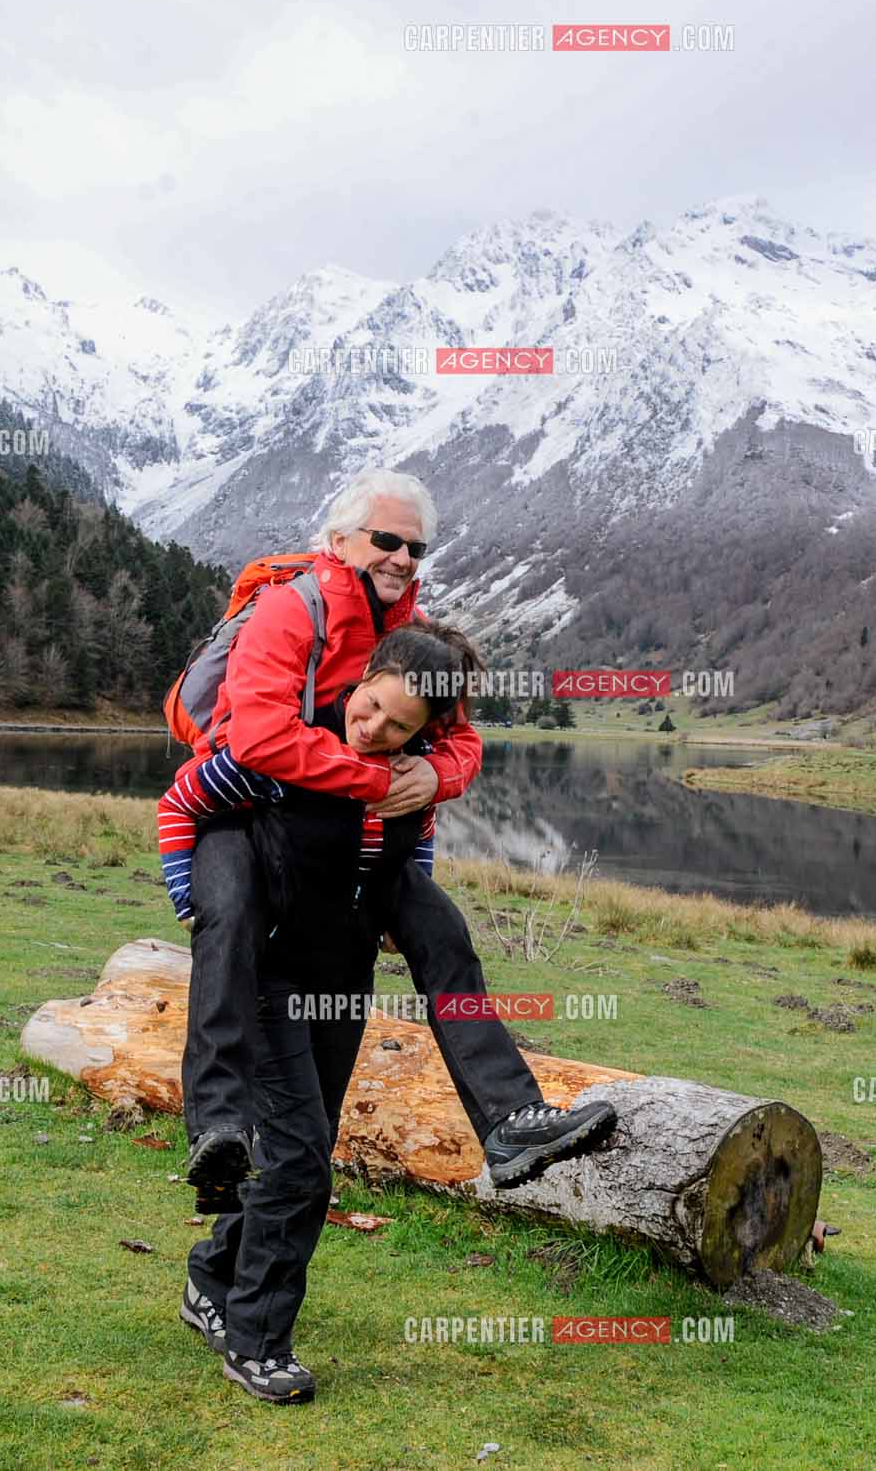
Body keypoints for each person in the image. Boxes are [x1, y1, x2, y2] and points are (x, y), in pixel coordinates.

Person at [167, 470, 615, 1222]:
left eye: (416, 546)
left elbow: (464, 742)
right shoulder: (290, 612)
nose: (403, 557)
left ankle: (508, 1122)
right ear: (339, 539)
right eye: (387, 539)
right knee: (230, 924)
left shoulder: (415, 637)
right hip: (248, 817)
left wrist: (435, 775)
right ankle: (215, 1123)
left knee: (443, 934)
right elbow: (259, 738)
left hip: (346, 846)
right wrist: (375, 780)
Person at [178, 624, 480, 1401]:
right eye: (373, 706)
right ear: (366, 675)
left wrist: (391, 905)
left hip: (343, 983)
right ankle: (256, 1340)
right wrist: (199, 906)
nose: (375, 729)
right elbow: (186, 800)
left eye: (400, 726)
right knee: (303, 1162)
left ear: (423, 733)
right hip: (270, 980)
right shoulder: (289, 746)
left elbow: (413, 847)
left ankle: (211, 1274)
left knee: (297, 1148)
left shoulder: (408, 776)